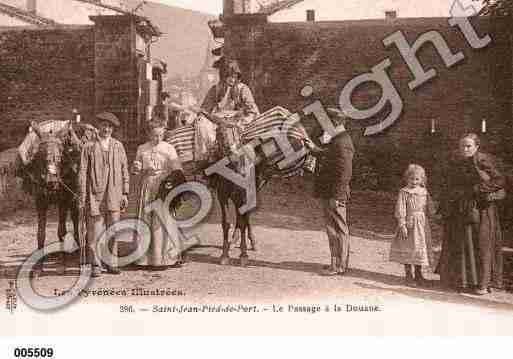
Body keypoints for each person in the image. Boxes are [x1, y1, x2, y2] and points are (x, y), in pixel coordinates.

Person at [437, 133, 506, 295]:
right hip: (460, 208)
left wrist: (478, 190)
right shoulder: (456, 162)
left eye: (468, 146)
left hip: (481, 209)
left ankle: (482, 284)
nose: (465, 149)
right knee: (462, 243)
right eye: (462, 146)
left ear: (476, 147)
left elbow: (500, 180)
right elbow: (448, 184)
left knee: (481, 244)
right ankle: (462, 281)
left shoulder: (482, 161)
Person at [79, 112, 130, 278]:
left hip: (114, 194)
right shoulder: (88, 147)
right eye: (103, 125)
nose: (106, 129)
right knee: (95, 230)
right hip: (95, 195)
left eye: (110, 127)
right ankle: (96, 264)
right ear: (98, 127)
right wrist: (83, 195)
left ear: (113, 129)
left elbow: (124, 171)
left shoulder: (118, 146)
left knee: (114, 228)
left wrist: (125, 192)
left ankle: (112, 262)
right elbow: (82, 172)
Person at [132, 119, 186, 270]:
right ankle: (144, 259)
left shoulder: (169, 148)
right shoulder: (142, 148)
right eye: (155, 135)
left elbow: (177, 170)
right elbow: (136, 168)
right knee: (146, 220)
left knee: (163, 221)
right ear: (148, 134)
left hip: (163, 187)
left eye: (161, 135)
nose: (158, 138)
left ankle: (165, 258)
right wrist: (137, 168)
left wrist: (169, 180)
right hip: (148, 186)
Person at [313, 109, 355, 276]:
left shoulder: (342, 141)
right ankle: (335, 262)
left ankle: (340, 265)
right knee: (332, 228)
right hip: (329, 191)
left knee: (339, 228)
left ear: (336, 123)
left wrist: (337, 195)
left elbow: (345, 172)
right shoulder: (337, 139)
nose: (323, 126)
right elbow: (328, 155)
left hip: (335, 193)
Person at [198, 58, 259, 164]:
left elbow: (252, 111)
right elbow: (205, 109)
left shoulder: (242, 89)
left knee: (237, 141)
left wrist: (240, 121)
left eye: (235, 76)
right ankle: (207, 154)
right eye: (229, 76)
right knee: (201, 123)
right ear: (223, 76)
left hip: (238, 122)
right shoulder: (216, 90)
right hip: (219, 123)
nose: (232, 79)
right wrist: (208, 118)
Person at [389, 164, 436, 287]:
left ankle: (419, 274)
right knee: (408, 247)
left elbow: (429, 208)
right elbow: (401, 209)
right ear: (407, 179)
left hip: (422, 224)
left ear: (422, 179)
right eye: (411, 179)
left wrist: (433, 213)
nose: (414, 182)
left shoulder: (424, 192)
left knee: (420, 247)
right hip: (410, 223)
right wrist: (402, 224)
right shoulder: (404, 192)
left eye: (417, 179)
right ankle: (409, 275)